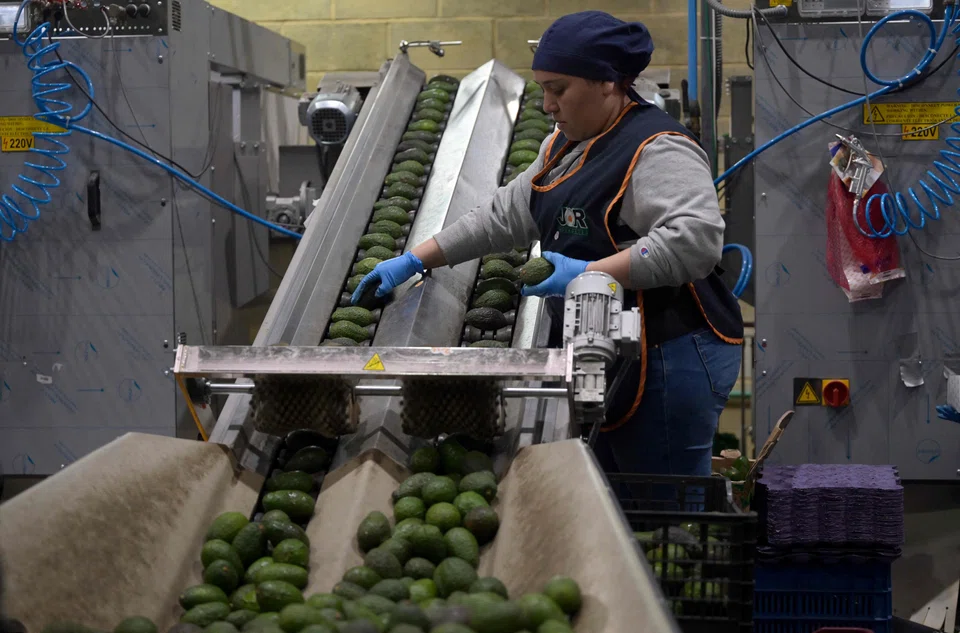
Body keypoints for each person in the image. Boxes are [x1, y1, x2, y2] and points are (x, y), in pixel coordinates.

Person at [352, 10, 743, 477]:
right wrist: (417, 258)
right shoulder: (563, 144)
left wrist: (587, 273)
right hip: (606, 343)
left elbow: (694, 243)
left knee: (662, 506)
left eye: (558, 89)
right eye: (542, 89)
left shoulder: (657, 149)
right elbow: (506, 214)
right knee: (608, 493)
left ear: (606, 83)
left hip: (670, 352)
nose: (547, 105)